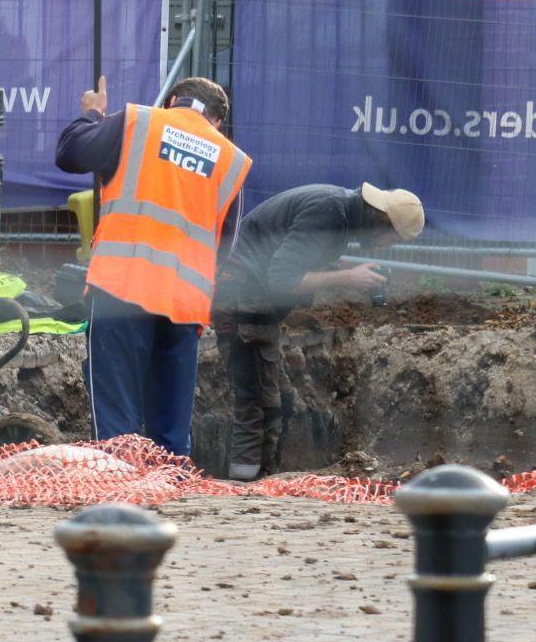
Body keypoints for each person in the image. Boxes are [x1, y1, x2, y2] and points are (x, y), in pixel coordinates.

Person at [55, 76, 251, 456]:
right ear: (218, 122)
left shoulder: (136, 122)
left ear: (173, 100)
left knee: (117, 424)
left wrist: (93, 113)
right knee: (170, 433)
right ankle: (169, 497)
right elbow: (224, 246)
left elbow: (70, 152)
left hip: (120, 289)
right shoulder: (230, 159)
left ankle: (121, 497)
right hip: (184, 304)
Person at [215, 182, 424, 481]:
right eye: (394, 239)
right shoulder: (329, 213)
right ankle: (243, 487)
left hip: (250, 299)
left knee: (275, 402)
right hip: (242, 300)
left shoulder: (340, 214)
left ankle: (259, 481)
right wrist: (348, 277)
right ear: (382, 221)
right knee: (257, 404)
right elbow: (282, 279)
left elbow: (289, 255)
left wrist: (335, 267)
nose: (388, 247)